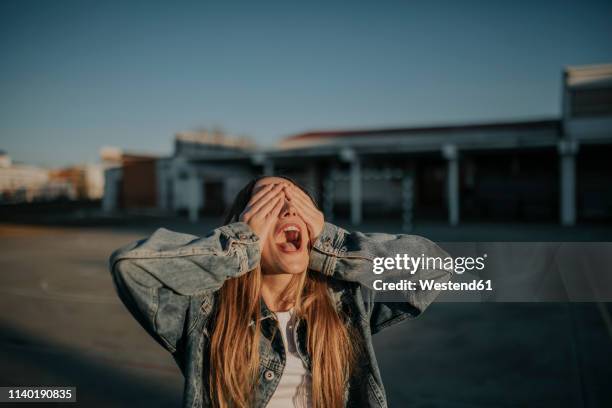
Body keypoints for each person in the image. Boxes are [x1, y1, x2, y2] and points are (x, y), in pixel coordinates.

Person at [109, 175, 452, 408]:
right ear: (246, 223)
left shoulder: (344, 303)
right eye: (270, 205)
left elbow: (435, 269)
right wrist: (239, 245)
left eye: (299, 204)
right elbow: (132, 266)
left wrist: (333, 244)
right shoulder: (208, 309)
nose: (288, 210)